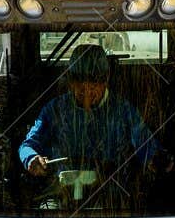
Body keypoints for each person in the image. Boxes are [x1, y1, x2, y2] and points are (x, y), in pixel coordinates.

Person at [19, 44, 160, 183]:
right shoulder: (54, 110)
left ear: (105, 80)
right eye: (80, 83)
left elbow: (145, 144)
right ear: (70, 80)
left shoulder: (123, 110)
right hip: (62, 192)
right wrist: (31, 158)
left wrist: (156, 158)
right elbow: (27, 146)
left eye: (93, 84)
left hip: (110, 190)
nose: (86, 91)